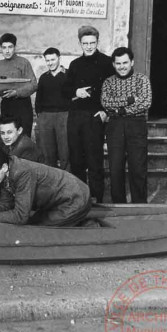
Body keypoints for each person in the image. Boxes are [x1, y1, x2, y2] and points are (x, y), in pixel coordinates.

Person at [0, 146, 91, 226]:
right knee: (33, 220)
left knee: (36, 227)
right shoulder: (7, 168)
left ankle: (90, 225)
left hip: (76, 198)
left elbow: (21, 216)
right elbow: (7, 204)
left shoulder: (22, 172)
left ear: (3, 167)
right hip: (59, 199)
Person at [62, 25, 114, 203]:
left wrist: (105, 111)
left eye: (92, 43)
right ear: (80, 44)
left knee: (94, 160)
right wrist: (76, 92)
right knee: (76, 159)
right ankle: (80, 198)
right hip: (76, 117)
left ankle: (96, 198)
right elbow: (66, 89)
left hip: (95, 116)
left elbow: (113, 89)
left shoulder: (107, 63)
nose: (89, 46)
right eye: (85, 43)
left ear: (97, 42)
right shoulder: (75, 64)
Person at [100, 47, 152, 204]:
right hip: (115, 126)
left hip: (136, 125)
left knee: (138, 167)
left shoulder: (142, 80)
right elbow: (106, 102)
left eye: (125, 62)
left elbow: (145, 102)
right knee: (116, 168)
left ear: (132, 62)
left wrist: (120, 110)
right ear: (114, 64)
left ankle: (140, 205)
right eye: (118, 63)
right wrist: (130, 100)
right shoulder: (109, 82)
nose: (122, 66)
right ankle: (118, 205)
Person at [0, 116, 43, 203]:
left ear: (19, 130)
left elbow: (22, 175)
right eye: (2, 133)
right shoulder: (10, 143)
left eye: (9, 132)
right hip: (20, 184)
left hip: (33, 191)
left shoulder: (25, 146)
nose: (5, 136)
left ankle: (0, 203)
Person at [0, 33, 38, 137]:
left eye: (10, 47)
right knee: (8, 136)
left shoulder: (23, 62)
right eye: (4, 47)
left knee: (23, 137)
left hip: (22, 106)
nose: (7, 51)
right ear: (1, 48)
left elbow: (33, 84)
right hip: (6, 105)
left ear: (15, 47)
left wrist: (16, 92)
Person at [35, 47, 70, 169]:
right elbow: (38, 99)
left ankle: (67, 183)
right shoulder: (44, 77)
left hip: (64, 116)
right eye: (47, 60)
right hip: (46, 117)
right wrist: (40, 117)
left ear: (59, 58)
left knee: (65, 151)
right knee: (47, 153)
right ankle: (51, 182)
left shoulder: (69, 75)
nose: (50, 63)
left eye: (53, 59)